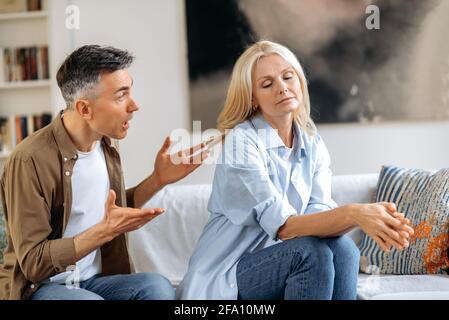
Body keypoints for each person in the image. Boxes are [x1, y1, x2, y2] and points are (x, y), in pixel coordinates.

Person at [177, 40, 414, 300]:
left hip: (283, 261)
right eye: (267, 84)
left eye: (288, 77)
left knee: (345, 249)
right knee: (310, 253)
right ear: (253, 98)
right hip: (227, 276)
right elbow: (286, 227)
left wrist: (374, 220)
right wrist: (356, 213)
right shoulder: (241, 142)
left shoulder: (311, 143)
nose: (282, 88)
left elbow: (318, 217)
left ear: (300, 81)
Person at [0, 45, 208, 300]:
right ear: (85, 109)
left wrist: (158, 180)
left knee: (157, 288)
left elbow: (113, 213)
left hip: (95, 280)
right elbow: (33, 262)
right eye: (121, 96)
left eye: (130, 91)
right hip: (42, 288)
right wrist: (105, 231)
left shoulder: (105, 145)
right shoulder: (29, 160)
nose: (134, 106)